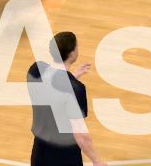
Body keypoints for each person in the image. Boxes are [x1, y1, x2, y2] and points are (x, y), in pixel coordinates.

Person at [27, 32, 106, 166]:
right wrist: (96, 160)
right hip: (65, 157)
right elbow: (80, 135)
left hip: (39, 155)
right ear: (72, 53)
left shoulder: (36, 70)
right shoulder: (75, 89)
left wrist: (72, 78)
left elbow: (52, 92)